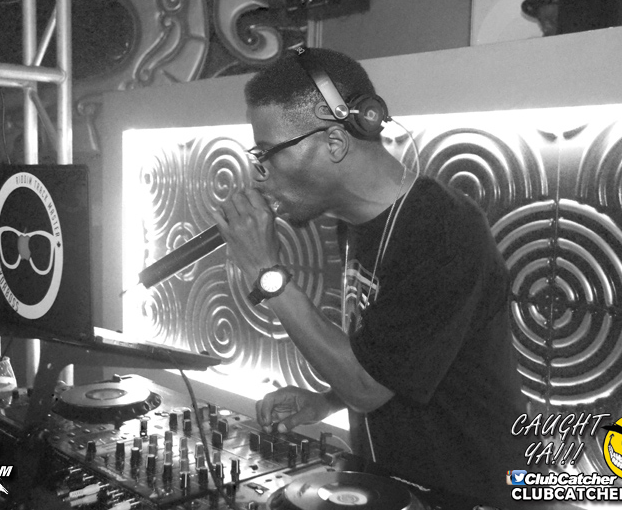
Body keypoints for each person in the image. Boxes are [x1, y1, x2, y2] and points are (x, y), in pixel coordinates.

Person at [212, 48, 528, 508]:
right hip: (392, 484)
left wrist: (267, 273)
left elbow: (367, 385)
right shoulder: (355, 223)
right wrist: (326, 401)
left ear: (334, 143)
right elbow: (393, 356)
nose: (260, 176)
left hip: (472, 492)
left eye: (267, 154)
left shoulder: (442, 231)